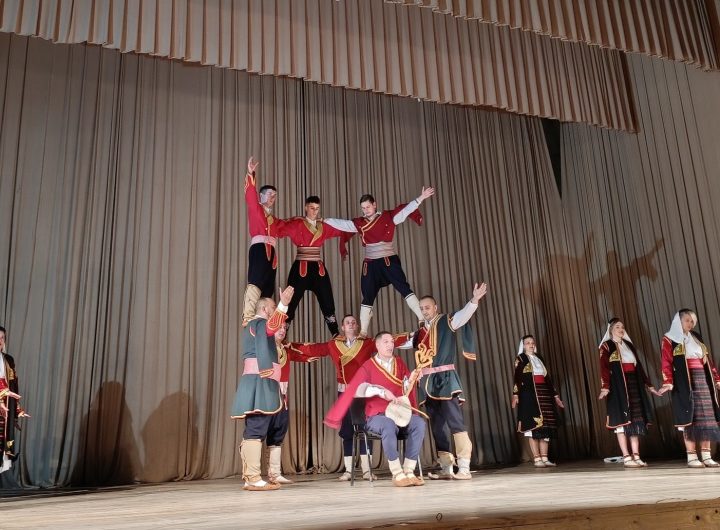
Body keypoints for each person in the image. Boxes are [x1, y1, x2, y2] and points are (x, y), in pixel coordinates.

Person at [291, 315, 411, 480]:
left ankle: (367, 470)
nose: (351, 324)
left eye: (354, 322)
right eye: (347, 322)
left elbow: (390, 341)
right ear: (342, 327)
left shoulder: (367, 343)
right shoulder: (333, 344)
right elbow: (315, 349)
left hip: (364, 392)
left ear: (357, 326)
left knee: (365, 428)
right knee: (347, 429)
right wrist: (289, 346)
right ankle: (349, 471)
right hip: (345, 391)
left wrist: (414, 336)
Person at [324, 187, 435, 336]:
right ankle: (363, 332)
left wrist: (421, 198)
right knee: (367, 296)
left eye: (368, 207)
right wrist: (324, 221)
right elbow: (342, 224)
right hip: (370, 264)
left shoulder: (388, 217)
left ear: (374, 204)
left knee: (404, 288)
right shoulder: (359, 223)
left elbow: (406, 210)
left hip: (388, 260)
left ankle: (421, 318)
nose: (366, 210)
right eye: (363, 208)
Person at [324, 331, 426, 487]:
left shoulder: (399, 363)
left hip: (398, 413)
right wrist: (382, 392)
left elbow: (405, 389)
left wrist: (411, 379)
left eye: (392, 342)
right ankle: (397, 473)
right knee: (388, 424)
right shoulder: (368, 366)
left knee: (418, 423)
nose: (390, 345)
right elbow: (358, 389)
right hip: (376, 417)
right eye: (386, 342)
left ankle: (409, 471)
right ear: (377, 345)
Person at [414, 282, 488, 480]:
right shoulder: (420, 332)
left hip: (446, 380)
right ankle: (446, 467)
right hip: (428, 383)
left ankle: (464, 467)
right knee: (437, 426)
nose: (425, 311)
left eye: (427, 307)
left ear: (435, 307)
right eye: (422, 308)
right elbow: (402, 341)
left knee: (455, 422)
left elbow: (464, 314)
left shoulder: (447, 321)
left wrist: (474, 300)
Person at [231, 286, 293, 491]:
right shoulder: (258, 323)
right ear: (265, 309)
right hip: (258, 381)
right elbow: (271, 326)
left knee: (258, 428)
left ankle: (252, 476)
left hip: (261, 381)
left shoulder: (256, 325)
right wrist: (283, 304)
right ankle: (253, 477)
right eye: (273, 308)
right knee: (256, 428)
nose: (275, 312)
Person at [276, 195, 345, 336]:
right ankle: (281, 336)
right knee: (290, 302)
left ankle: (335, 334)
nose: (315, 211)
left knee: (327, 300)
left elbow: (342, 229)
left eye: (317, 208)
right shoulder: (297, 223)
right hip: (300, 267)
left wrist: (360, 226)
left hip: (318, 267)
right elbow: (279, 228)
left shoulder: (323, 225)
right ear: (306, 208)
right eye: (312, 208)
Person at [659, 309, 720, 467]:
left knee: (706, 418)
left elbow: (708, 361)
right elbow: (666, 362)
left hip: (702, 379)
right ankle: (692, 457)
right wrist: (668, 381)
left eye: (693, 321)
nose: (690, 323)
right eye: (687, 320)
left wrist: (717, 379)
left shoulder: (696, 337)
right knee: (689, 418)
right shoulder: (669, 339)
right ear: (678, 321)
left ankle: (706, 455)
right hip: (684, 382)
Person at [598, 318, 660, 468]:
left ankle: (636, 456)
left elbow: (639, 367)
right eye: (617, 327)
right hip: (618, 387)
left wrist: (649, 385)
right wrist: (605, 387)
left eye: (622, 327)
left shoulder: (629, 345)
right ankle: (626, 457)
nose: (621, 329)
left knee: (635, 421)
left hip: (633, 384)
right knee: (621, 422)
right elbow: (604, 368)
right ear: (611, 330)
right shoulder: (606, 346)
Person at [265, 324, 320, 485]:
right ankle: (251, 474)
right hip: (266, 395)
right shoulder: (265, 347)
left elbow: (299, 354)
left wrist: (307, 357)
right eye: (279, 327)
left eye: (284, 328)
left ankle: (274, 473)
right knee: (259, 432)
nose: (282, 330)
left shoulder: (286, 349)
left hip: (281, 397)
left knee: (278, 431)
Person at [511, 335, 564, 467]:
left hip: (544, 393)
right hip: (529, 395)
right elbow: (517, 378)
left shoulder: (539, 358)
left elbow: (547, 378)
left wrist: (555, 395)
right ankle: (537, 459)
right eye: (528, 343)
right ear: (523, 346)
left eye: (532, 342)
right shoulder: (520, 358)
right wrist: (516, 394)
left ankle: (545, 458)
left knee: (545, 426)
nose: (531, 345)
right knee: (533, 427)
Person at [242, 156, 282, 325]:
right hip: (259, 249)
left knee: (267, 286)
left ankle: (264, 317)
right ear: (261, 196)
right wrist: (251, 174)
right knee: (256, 281)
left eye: (275, 195)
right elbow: (250, 194)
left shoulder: (274, 220)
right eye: (269, 194)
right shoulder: (256, 208)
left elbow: (289, 227)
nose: (272, 197)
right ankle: (248, 316)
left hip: (271, 253)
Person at [0, 325, 29, 475]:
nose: (0, 341)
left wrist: (16, 409)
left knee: (2, 445)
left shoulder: (8, 360)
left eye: (2, 338)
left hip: (5, 408)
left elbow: (13, 385)